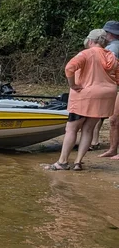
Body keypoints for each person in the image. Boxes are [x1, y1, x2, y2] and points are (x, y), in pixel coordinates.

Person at [46, 29, 119, 171]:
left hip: (85, 95)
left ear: (90, 40)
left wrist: (73, 85)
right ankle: (78, 162)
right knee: (88, 129)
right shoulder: (112, 56)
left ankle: (62, 162)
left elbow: (69, 68)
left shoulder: (86, 54)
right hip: (106, 96)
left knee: (71, 128)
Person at [98, 21, 119, 159]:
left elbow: (107, 67)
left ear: (110, 34)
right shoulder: (112, 46)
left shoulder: (114, 47)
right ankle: (112, 149)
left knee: (115, 119)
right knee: (114, 120)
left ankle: (113, 149)